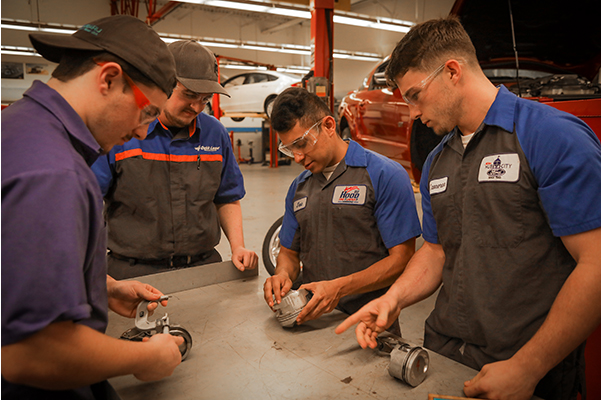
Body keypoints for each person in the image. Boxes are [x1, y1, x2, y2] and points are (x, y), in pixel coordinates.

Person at [335, 16, 601, 400]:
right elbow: (438, 251)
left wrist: (529, 366)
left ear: (453, 72)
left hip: (521, 366)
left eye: (413, 95)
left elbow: (596, 263)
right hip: (444, 354)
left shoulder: (551, 136)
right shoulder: (437, 162)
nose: (411, 113)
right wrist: (393, 298)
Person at [1, 15, 185, 399]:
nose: (141, 132)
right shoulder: (56, 173)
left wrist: (101, 288)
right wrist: (142, 357)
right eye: (148, 112)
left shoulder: (16, 130)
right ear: (109, 79)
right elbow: (28, 353)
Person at [92, 40, 258, 279]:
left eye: (205, 98)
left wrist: (238, 246)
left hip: (203, 268)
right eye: (189, 94)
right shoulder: (124, 130)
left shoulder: (215, 133)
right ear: (162, 84)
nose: (197, 106)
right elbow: (88, 203)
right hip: (132, 273)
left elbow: (227, 196)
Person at [262, 87, 421, 328]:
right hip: (313, 322)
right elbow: (289, 253)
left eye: (302, 143)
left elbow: (402, 260)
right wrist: (282, 274)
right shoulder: (299, 187)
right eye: (288, 149)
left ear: (328, 126)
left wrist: (338, 289)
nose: (297, 157)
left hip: (370, 323)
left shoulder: (384, 175)